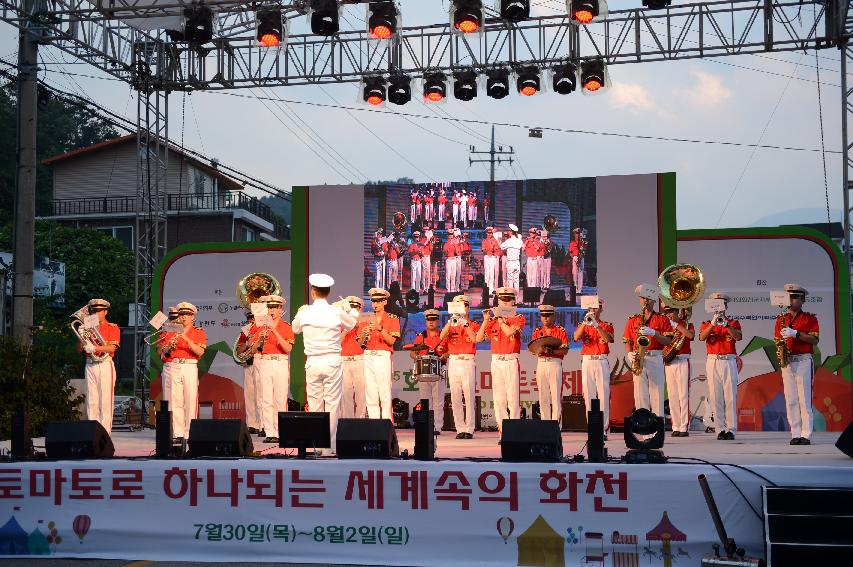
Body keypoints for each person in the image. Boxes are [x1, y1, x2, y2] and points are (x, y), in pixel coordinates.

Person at [292, 275, 359, 454]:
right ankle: (329, 447)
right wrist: (350, 309)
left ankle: (316, 446)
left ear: (313, 292)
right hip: (331, 361)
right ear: (329, 293)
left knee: (314, 405)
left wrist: (300, 310)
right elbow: (352, 324)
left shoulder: (304, 311)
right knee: (332, 404)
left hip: (313, 362)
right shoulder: (336, 312)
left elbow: (295, 329)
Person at [477, 287, 526, 436]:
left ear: (513, 301)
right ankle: (503, 434)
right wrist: (486, 321)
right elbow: (478, 338)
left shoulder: (518, 318)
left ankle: (515, 434)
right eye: (502, 300)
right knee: (499, 400)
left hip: (511, 361)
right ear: (497, 301)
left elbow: (510, 332)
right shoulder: (492, 321)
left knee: (513, 399)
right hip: (496, 361)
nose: (504, 303)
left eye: (508, 300)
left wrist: (501, 321)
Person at [775, 283, 819, 445]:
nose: (791, 300)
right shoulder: (781, 319)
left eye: (794, 297)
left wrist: (796, 334)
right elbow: (778, 341)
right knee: (791, 399)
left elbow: (814, 339)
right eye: (789, 297)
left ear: (802, 299)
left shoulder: (810, 318)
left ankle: (806, 434)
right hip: (788, 361)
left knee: (804, 400)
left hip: (804, 360)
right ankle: (795, 432)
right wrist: (781, 349)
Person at [247, 295, 294, 444]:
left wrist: (274, 331)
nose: (272, 310)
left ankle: (280, 432)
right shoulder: (260, 326)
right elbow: (251, 347)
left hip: (280, 362)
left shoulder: (286, 327)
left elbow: (288, 348)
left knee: (280, 399)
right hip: (265, 362)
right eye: (270, 307)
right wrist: (259, 338)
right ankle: (270, 432)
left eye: (275, 307)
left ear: (281, 309)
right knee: (266, 398)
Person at [159, 302, 206, 441]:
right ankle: (177, 434)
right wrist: (168, 346)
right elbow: (160, 353)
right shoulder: (169, 331)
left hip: (189, 366)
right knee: (175, 401)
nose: (184, 317)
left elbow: (200, 351)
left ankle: (189, 433)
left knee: (190, 400)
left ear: (193, 317)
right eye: (181, 314)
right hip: (173, 365)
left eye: (187, 314)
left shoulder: (198, 332)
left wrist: (185, 339)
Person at [623, 284, 672, 416]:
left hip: (655, 357)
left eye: (649, 298)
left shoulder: (662, 319)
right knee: (640, 395)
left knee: (657, 394)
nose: (645, 301)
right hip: (639, 358)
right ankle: (643, 428)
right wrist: (629, 353)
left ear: (654, 300)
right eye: (643, 298)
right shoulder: (632, 320)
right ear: (640, 300)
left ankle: (658, 429)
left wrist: (654, 333)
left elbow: (668, 341)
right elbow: (627, 340)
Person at [698, 292, 742, 441]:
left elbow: (738, 337)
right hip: (713, 361)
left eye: (721, 304)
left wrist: (726, 324)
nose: (719, 307)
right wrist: (713, 323)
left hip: (729, 360)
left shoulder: (733, 322)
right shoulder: (706, 323)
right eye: (715, 304)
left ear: (726, 306)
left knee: (730, 396)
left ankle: (731, 429)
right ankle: (719, 429)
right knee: (715, 396)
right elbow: (702, 337)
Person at [440, 295, 480, 439]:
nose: (461, 309)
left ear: (468, 308)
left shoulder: (473, 323)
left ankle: (469, 429)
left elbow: (475, 338)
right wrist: (451, 321)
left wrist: (465, 324)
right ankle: (459, 428)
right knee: (455, 396)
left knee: (469, 395)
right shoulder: (451, 323)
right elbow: (441, 336)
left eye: (463, 306)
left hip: (467, 360)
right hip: (454, 361)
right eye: (457, 306)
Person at [573, 299, 614, 433]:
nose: (594, 311)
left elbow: (607, 339)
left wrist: (596, 325)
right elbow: (576, 337)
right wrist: (585, 322)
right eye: (591, 308)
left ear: (601, 310)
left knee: (604, 394)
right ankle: (592, 428)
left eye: (597, 308)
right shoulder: (583, 324)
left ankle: (604, 429)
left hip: (601, 360)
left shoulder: (606, 325)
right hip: (587, 361)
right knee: (588, 395)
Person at [80, 298, 120, 434]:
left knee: (105, 402)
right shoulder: (87, 327)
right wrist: (81, 336)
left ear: (105, 312)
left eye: (99, 311)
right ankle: (92, 433)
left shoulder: (112, 328)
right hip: (90, 365)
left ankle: (105, 435)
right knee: (91, 401)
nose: (95, 314)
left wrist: (95, 348)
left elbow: (111, 349)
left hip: (104, 364)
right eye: (93, 311)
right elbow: (79, 349)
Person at [360, 288, 401, 419]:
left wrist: (380, 329)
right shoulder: (365, 318)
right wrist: (364, 334)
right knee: (370, 393)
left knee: (384, 392)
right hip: (367, 355)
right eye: (373, 301)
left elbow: (391, 341)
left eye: (378, 301)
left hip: (382, 355)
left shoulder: (392, 318)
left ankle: (387, 425)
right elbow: (360, 344)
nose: (375, 304)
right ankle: (374, 425)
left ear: (385, 302)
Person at [410, 308, 449, 433]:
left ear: (438, 321)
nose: (431, 322)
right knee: (424, 400)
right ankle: (426, 425)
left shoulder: (443, 335)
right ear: (426, 321)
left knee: (438, 400)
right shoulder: (421, 336)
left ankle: (437, 426)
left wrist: (445, 355)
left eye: (433, 320)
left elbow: (449, 350)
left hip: (439, 368)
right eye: (428, 320)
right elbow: (412, 352)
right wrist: (416, 357)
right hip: (423, 370)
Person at [533, 304, 571, 424]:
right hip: (541, 363)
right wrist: (540, 351)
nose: (545, 318)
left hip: (555, 363)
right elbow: (534, 350)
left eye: (548, 316)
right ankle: (545, 425)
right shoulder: (537, 331)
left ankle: (556, 427)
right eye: (543, 316)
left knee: (555, 396)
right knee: (543, 396)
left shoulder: (560, 330)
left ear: (553, 316)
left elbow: (564, 350)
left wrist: (552, 351)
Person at [662, 303, 695, 437]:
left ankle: (684, 427)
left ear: (677, 312)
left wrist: (677, 325)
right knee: (672, 396)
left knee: (683, 395)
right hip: (670, 362)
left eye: (672, 312)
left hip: (682, 361)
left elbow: (690, 336)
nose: (669, 315)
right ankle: (675, 425)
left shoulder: (686, 324)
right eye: (667, 313)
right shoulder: (665, 325)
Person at [234, 311, 262, 435]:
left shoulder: (263, 329)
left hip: (260, 361)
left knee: (260, 393)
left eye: (253, 318)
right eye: (249, 319)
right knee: (249, 394)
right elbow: (238, 350)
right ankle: (252, 424)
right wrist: (247, 343)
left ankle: (263, 424)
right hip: (248, 364)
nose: (251, 321)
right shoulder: (245, 331)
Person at [340, 295, 367, 419]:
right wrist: (347, 328)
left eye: (355, 309)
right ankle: (347, 422)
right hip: (344, 361)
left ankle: (361, 422)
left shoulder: (365, 324)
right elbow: (337, 343)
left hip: (359, 360)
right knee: (346, 394)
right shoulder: (340, 325)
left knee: (361, 394)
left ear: (360, 310)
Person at [500, 224, 523, 296]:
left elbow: (501, 247)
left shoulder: (508, 241)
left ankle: (511, 298)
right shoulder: (519, 241)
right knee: (516, 281)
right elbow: (522, 247)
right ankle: (517, 298)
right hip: (517, 262)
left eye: (509, 231)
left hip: (510, 263)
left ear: (511, 231)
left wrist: (499, 240)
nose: (508, 232)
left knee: (510, 280)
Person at [482, 226, 501, 298]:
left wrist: (495, 247)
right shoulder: (484, 241)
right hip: (487, 257)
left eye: (491, 233)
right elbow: (483, 250)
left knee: (492, 274)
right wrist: (488, 248)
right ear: (486, 233)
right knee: (487, 274)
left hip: (492, 257)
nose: (489, 234)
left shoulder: (494, 240)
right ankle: (486, 290)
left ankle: (491, 290)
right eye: (488, 233)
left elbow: (497, 248)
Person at [569, 228, 587, 292]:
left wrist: (580, 258)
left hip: (581, 258)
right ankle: (575, 288)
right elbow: (570, 253)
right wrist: (574, 258)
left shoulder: (583, 242)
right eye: (576, 234)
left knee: (580, 273)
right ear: (574, 235)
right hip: (574, 258)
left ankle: (579, 290)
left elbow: (584, 251)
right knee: (574, 274)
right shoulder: (572, 243)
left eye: (578, 234)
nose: (577, 235)